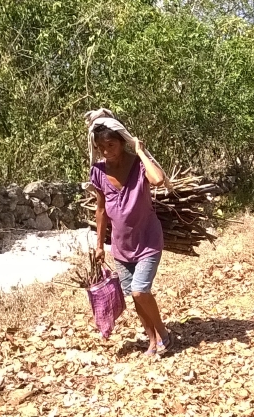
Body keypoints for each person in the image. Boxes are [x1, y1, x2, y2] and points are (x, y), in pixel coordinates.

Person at [86, 111, 173, 356]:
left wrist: (141, 151)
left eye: (111, 145)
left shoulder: (137, 165)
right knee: (133, 295)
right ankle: (152, 340)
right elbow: (101, 209)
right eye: (101, 147)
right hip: (121, 247)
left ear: (123, 142)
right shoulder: (98, 171)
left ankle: (164, 334)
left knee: (139, 290)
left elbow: (157, 179)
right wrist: (100, 245)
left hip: (148, 240)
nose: (106, 151)